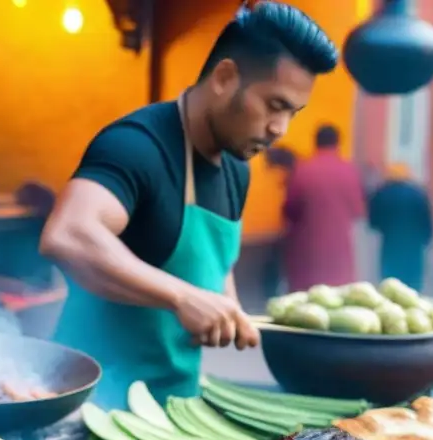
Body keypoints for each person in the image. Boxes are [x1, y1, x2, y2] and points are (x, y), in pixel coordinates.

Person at [40, 2, 338, 408]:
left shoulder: (238, 167)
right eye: (274, 105)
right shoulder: (137, 146)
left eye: (292, 113)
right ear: (225, 77)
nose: (280, 130)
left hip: (175, 407)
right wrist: (183, 298)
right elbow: (68, 235)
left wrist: (226, 307)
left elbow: (217, 264)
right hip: (87, 407)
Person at [281, 124, 366, 292]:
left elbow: (290, 210)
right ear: (337, 143)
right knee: (337, 298)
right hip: (339, 249)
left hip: (307, 248)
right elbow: (358, 211)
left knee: (306, 298)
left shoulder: (303, 169)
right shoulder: (349, 170)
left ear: (315, 142)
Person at [369, 164, 433, 292]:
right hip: (414, 245)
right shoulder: (418, 194)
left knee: (390, 280)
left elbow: (373, 221)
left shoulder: (382, 193)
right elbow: (426, 220)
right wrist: (427, 237)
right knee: (412, 280)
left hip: (391, 243)